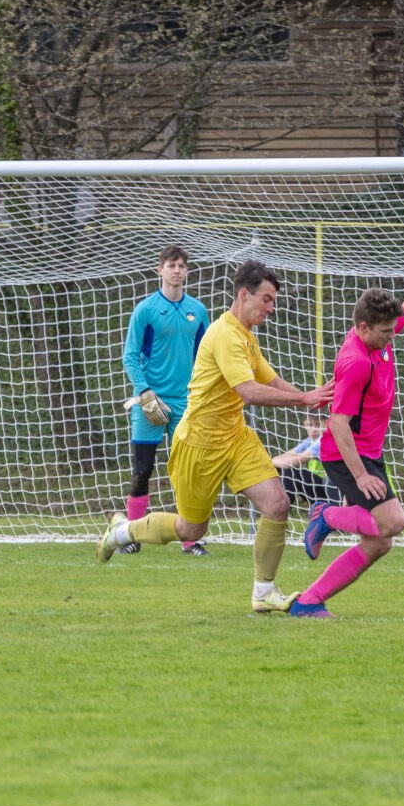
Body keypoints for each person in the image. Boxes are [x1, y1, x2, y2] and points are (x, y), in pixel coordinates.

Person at [96, 260, 333, 615]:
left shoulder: (246, 336)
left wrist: (313, 397)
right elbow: (248, 390)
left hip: (235, 438)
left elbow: (269, 380)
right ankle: (121, 532)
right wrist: (303, 399)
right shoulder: (225, 335)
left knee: (277, 504)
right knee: (190, 528)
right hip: (199, 445)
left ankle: (264, 591)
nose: (271, 308)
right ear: (244, 294)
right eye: (267, 299)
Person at [291, 230, 404, 618]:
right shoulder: (355, 362)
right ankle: (325, 515)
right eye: (385, 333)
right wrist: (361, 476)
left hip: (368, 451)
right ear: (364, 328)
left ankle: (308, 601)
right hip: (345, 454)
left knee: (379, 541)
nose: (390, 338)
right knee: (393, 522)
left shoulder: (376, 336)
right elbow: (338, 423)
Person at [119, 244, 211, 556]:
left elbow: (205, 357)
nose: (177, 270)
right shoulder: (145, 310)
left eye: (182, 265)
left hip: (185, 402)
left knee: (187, 471)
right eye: (172, 265)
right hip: (149, 401)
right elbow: (130, 356)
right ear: (160, 270)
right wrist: (145, 391)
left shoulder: (198, 311)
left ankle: (190, 539)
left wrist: (202, 393)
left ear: (187, 271)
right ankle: (129, 535)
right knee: (143, 469)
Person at [272, 413, 338, 510]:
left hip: (331, 490)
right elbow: (288, 454)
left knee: (290, 470)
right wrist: (273, 462)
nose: (313, 429)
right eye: (310, 425)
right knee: (284, 468)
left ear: (325, 423)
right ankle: (277, 506)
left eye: (317, 425)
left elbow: (295, 460)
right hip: (317, 486)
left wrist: (272, 462)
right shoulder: (309, 441)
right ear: (304, 425)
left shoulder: (323, 440)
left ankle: (282, 509)